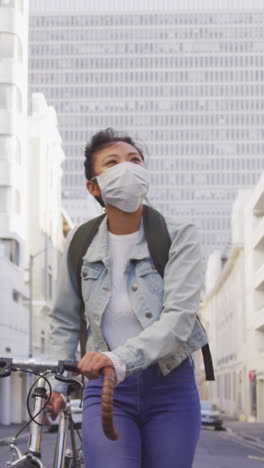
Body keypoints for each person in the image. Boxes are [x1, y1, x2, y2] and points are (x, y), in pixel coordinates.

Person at [47, 128, 209, 468]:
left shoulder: (178, 234)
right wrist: (58, 383)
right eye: (113, 162)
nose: (128, 168)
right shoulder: (80, 241)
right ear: (94, 186)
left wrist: (120, 359)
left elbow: (179, 319)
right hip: (106, 390)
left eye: (135, 160)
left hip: (170, 387)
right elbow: (64, 317)